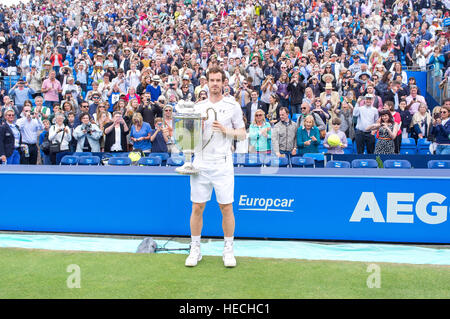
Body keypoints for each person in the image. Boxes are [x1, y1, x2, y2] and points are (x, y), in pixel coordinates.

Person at [186, 67, 246, 268]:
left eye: (218, 80)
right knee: (197, 207)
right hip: (200, 162)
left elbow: (242, 133)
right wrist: (196, 129)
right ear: (206, 82)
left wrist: (226, 129)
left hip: (222, 162)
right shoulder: (197, 107)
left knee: (226, 207)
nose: (215, 83)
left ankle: (228, 250)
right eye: (211, 80)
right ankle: (195, 249)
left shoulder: (232, 105)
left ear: (223, 82)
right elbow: (188, 137)